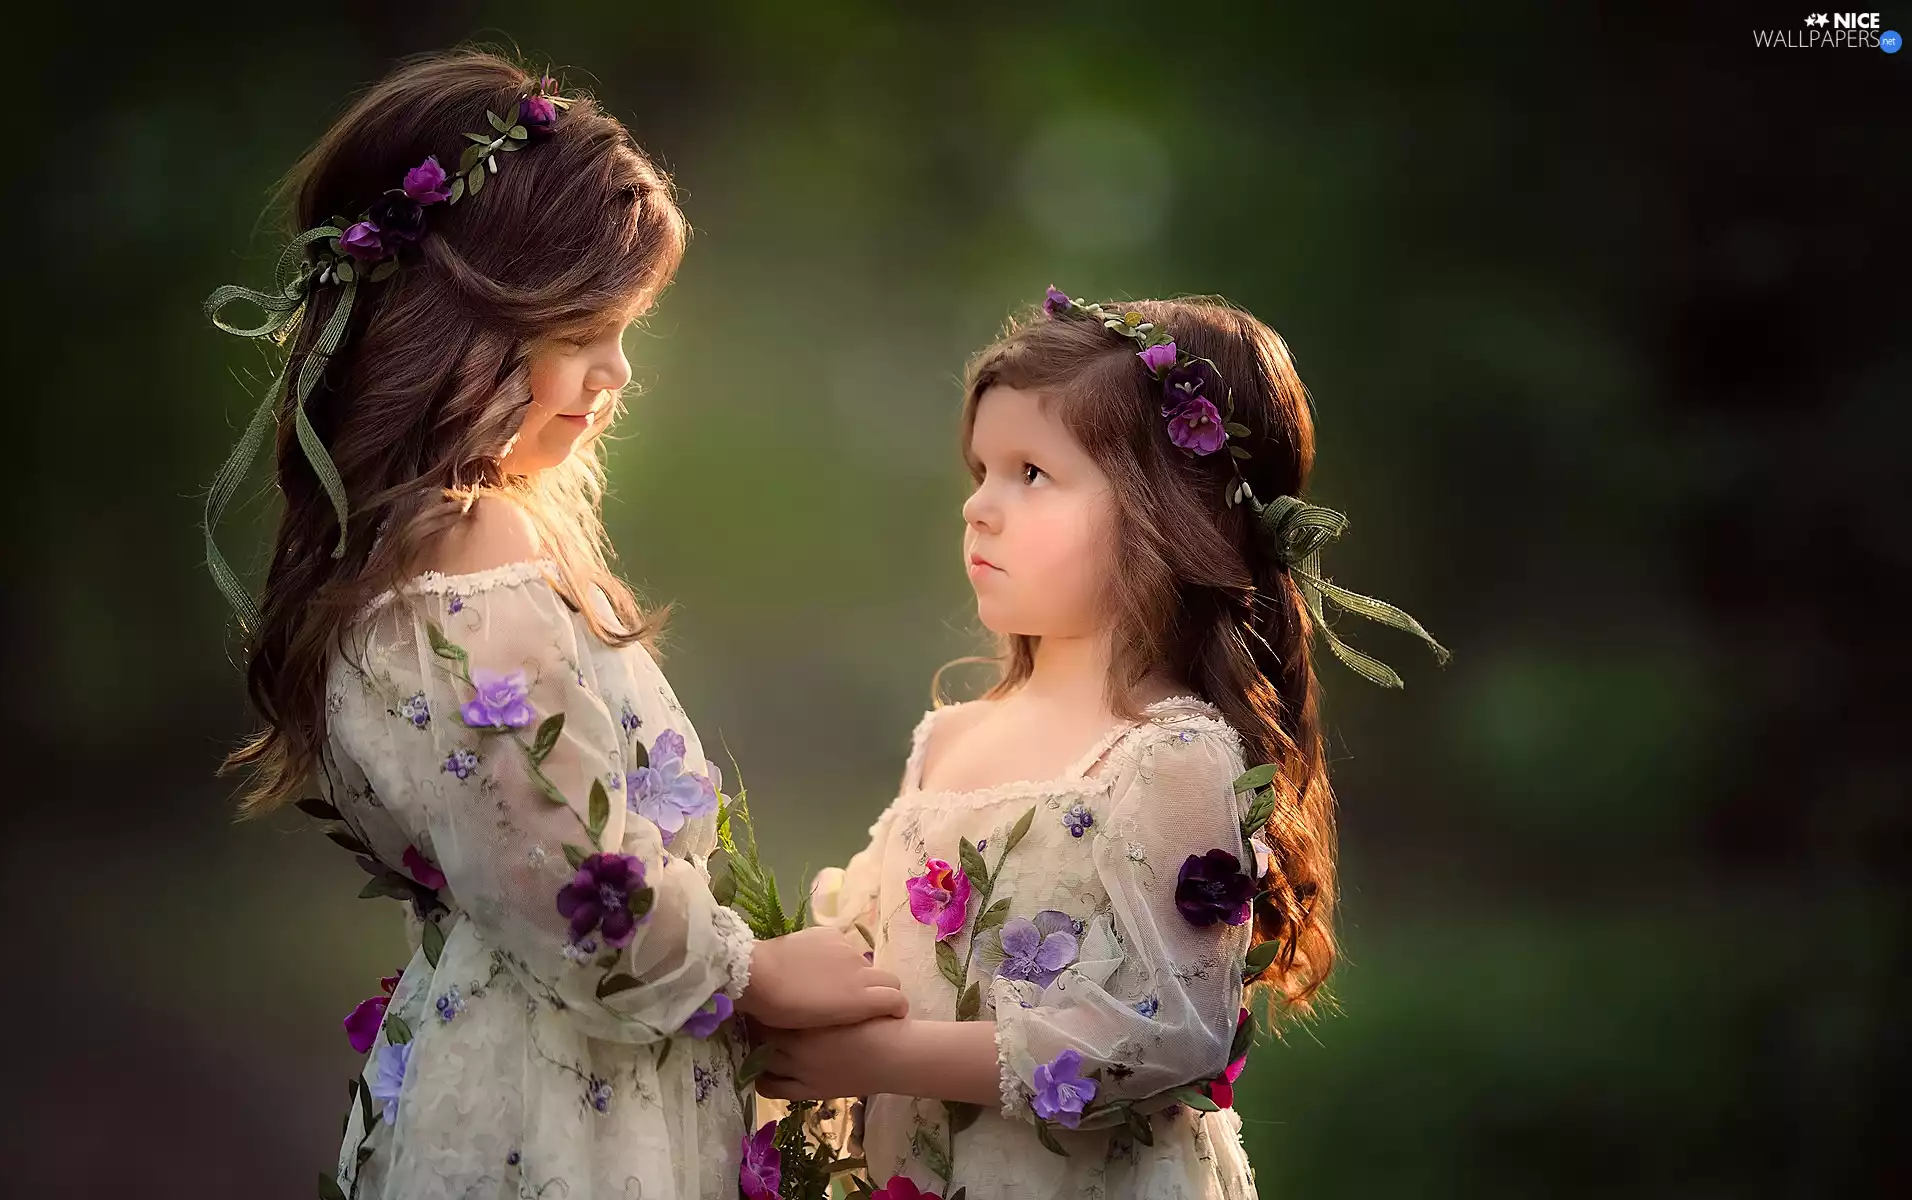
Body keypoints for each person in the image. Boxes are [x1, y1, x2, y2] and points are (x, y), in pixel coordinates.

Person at [205, 49, 904, 1200]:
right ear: (453, 324)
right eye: (581, 332)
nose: (615, 372)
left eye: (625, 331)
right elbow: (578, 885)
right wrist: (761, 973)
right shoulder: (470, 554)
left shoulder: (394, 553)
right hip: (572, 1101)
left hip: (508, 1059)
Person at [769, 289, 1447, 1198]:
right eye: (981, 470)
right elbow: (879, 951)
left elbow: (1174, 1032)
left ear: (1167, 509)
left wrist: (888, 1057)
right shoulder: (949, 736)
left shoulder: (1172, 756)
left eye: (1031, 473)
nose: (980, 508)